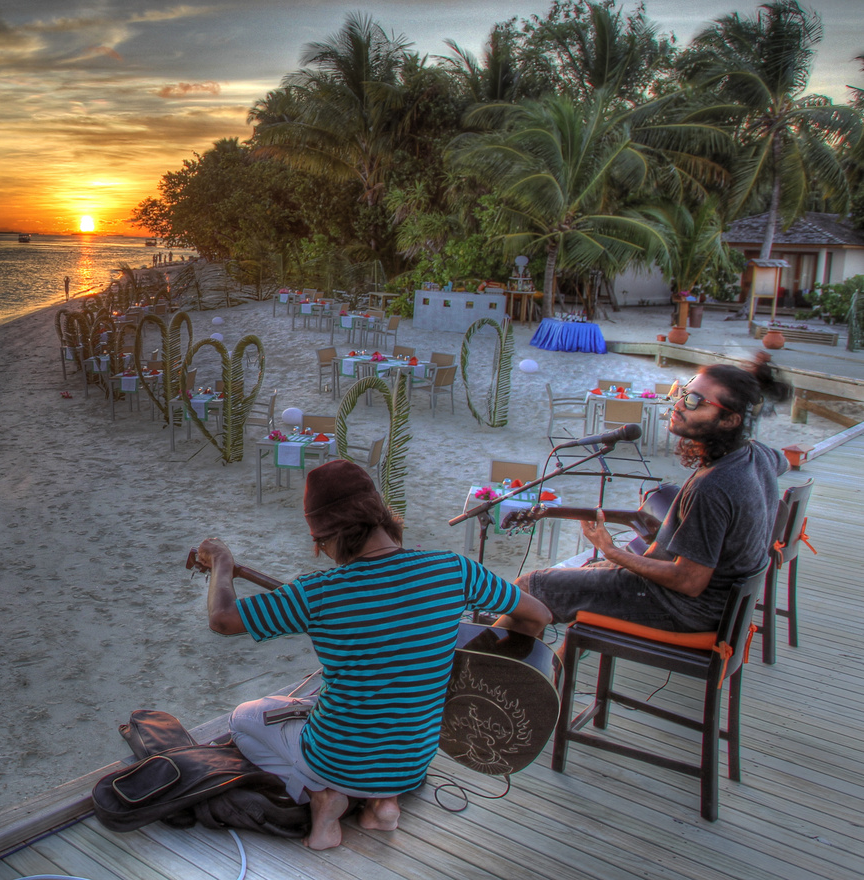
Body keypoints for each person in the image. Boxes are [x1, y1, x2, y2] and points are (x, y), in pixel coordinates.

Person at [196, 460, 551, 850]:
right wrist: (476, 658)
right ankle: (384, 803)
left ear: (325, 538)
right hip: (413, 763)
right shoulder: (454, 570)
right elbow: (538, 616)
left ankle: (322, 796)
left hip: (335, 758)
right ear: (383, 516)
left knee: (243, 719)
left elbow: (223, 619)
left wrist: (222, 563)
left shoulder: (317, 591)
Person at [496, 354, 792, 637]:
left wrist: (611, 551)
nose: (679, 405)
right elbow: (785, 462)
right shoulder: (758, 455)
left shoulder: (713, 486)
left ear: (729, 421)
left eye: (694, 401)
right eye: (683, 392)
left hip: (685, 609)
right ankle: (549, 668)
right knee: (584, 571)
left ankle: (489, 678)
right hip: (718, 603)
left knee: (531, 588)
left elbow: (689, 582)